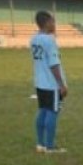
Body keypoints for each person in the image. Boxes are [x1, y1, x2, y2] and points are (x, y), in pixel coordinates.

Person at [31, 11, 68, 154]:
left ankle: (40, 144)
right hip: (51, 84)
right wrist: (61, 84)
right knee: (53, 112)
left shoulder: (34, 39)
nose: (54, 24)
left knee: (42, 111)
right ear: (47, 23)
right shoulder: (49, 40)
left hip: (40, 82)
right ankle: (50, 146)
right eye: (53, 21)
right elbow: (54, 64)